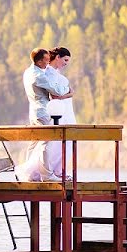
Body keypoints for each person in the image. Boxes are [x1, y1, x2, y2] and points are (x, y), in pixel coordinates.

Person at [19, 48, 71, 181]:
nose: (48, 63)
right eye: (46, 60)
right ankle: (47, 175)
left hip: (34, 111)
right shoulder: (39, 75)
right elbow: (57, 90)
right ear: (40, 61)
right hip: (42, 111)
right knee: (46, 142)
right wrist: (68, 89)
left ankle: (30, 174)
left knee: (35, 141)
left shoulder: (28, 72)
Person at [44, 47, 76, 179]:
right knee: (57, 141)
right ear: (57, 57)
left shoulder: (55, 73)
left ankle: (59, 169)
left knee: (67, 140)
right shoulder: (48, 72)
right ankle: (53, 170)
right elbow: (55, 95)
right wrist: (69, 94)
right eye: (65, 60)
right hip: (59, 110)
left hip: (66, 109)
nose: (66, 63)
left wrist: (69, 92)